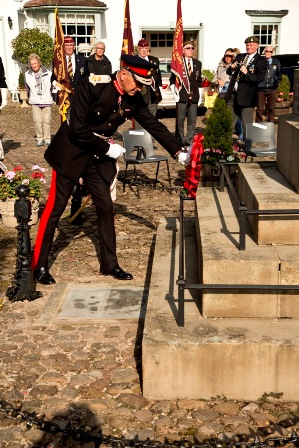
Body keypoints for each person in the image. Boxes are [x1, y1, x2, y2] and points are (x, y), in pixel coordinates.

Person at [31, 54, 188, 285]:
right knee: (56, 208)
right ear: (123, 74)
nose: (139, 90)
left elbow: (153, 124)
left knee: (105, 206)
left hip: (96, 157)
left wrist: (177, 152)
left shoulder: (132, 97)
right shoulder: (93, 84)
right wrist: (107, 148)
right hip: (71, 152)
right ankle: (39, 264)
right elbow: (77, 129)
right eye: (137, 83)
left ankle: (109, 264)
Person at [225, 36, 267, 140]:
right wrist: (232, 68)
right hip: (233, 94)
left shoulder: (260, 60)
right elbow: (228, 72)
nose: (248, 47)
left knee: (246, 124)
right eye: (247, 45)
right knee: (230, 123)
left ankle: (248, 147)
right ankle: (226, 146)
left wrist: (247, 72)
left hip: (247, 96)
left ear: (257, 46)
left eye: (251, 45)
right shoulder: (240, 56)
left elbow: (259, 78)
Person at [169, 41, 202, 147]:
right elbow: (172, 79)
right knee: (180, 119)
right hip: (182, 95)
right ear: (182, 50)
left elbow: (199, 79)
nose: (191, 50)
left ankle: (189, 140)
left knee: (192, 119)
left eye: (192, 48)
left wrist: (199, 92)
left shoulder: (197, 63)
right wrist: (174, 91)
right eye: (188, 48)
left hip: (194, 95)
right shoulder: (178, 64)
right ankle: (180, 139)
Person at [25, 54, 53, 147]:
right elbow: (27, 88)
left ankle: (47, 139)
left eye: (35, 63)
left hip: (46, 100)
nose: (33, 65)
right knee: (37, 121)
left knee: (46, 121)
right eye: (32, 64)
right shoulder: (27, 74)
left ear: (39, 63)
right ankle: (40, 138)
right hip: (35, 100)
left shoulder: (48, 73)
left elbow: (51, 87)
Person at [134, 38, 162, 129]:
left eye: (146, 47)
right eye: (142, 48)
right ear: (138, 49)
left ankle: (150, 139)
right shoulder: (134, 60)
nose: (144, 50)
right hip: (140, 94)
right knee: (140, 118)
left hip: (153, 94)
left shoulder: (154, 60)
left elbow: (158, 75)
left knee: (152, 118)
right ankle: (139, 138)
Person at [256, 45, 282, 123]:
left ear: (272, 53)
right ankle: (259, 126)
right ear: (264, 52)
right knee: (259, 109)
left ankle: (270, 125)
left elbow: (279, 73)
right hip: (261, 88)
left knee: (271, 109)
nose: (268, 53)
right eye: (267, 51)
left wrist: (276, 82)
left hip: (272, 88)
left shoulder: (276, 62)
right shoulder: (260, 61)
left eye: (270, 51)